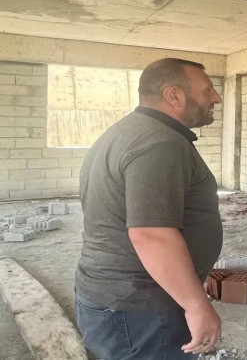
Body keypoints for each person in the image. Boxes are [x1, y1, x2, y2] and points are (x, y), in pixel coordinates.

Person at [75, 58, 224, 359]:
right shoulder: (160, 143)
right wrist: (196, 305)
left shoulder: (126, 132)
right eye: (207, 89)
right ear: (174, 95)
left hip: (120, 301)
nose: (216, 98)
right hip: (142, 310)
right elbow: (151, 235)